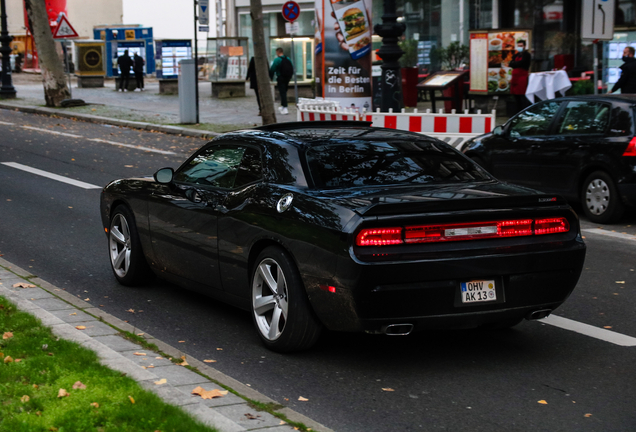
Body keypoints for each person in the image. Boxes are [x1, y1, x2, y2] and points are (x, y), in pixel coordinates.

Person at [507, 40, 531, 114]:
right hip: (515, 78)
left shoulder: (527, 55)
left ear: (524, 46)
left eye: (521, 46)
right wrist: (514, 63)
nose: (520, 47)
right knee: (515, 96)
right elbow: (510, 63)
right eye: (519, 46)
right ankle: (517, 112)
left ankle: (523, 112)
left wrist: (515, 63)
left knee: (522, 96)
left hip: (522, 78)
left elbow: (523, 63)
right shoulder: (516, 55)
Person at [269, 48, 293, 115]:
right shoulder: (288, 59)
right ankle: (283, 106)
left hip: (281, 77)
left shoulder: (277, 60)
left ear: (277, 52)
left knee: (282, 92)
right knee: (284, 91)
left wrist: (271, 77)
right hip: (287, 78)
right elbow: (292, 67)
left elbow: (272, 69)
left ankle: (285, 107)